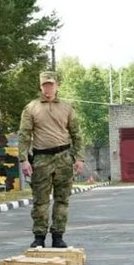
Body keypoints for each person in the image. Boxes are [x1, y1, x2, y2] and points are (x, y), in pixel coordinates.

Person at [18, 71, 85, 249]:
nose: (48, 88)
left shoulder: (67, 108)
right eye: (45, 85)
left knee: (62, 199)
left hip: (64, 157)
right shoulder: (31, 108)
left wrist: (79, 158)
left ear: (57, 86)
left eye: (51, 85)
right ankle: (39, 236)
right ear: (40, 87)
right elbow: (24, 134)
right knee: (40, 200)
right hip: (41, 157)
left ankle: (58, 235)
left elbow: (77, 134)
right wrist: (23, 159)